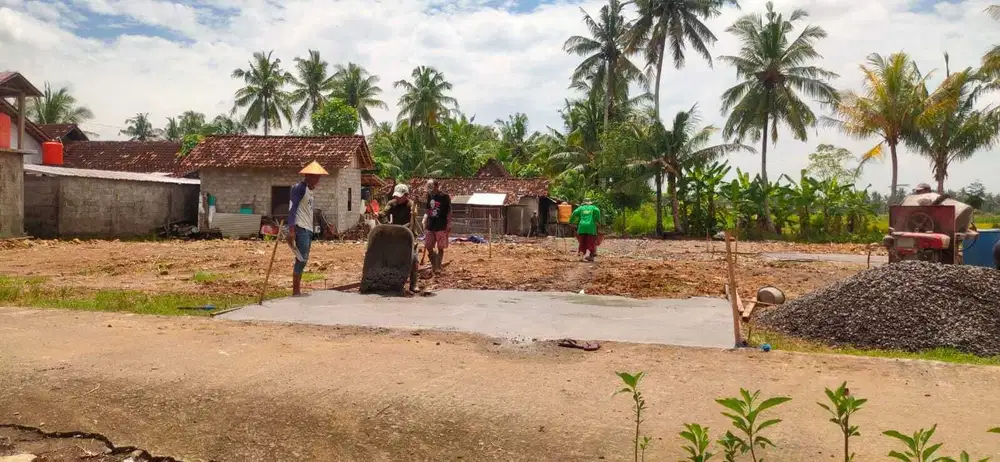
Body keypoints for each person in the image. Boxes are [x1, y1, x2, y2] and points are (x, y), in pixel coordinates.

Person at [287, 161, 329, 296]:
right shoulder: (299, 188)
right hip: (300, 227)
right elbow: (292, 209)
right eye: (315, 176)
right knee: (301, 259)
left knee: (303, 259)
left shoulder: (310, 191)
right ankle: (296, 291)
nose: (318, 180)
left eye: (319, 177)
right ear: (307, 176)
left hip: (308, 228)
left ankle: (297, 290)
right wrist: (291, 230)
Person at [424, 179, 451, 272]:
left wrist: (449, 224)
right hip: (430, 224)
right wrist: (425, 219)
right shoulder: (429, 196)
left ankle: (438, 266)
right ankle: (434, 263)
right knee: (428, 245)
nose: (431, 190)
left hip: (441, 224)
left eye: (432, 188)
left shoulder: (445, 196)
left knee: (440, 246)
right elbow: (428, 209)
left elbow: (449, 211)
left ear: (436, 186)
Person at [570, 197, 601, 262]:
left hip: (582, 227)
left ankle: (581, 256)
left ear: (583, 203)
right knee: (591, 242)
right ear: (590, 202)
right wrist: (597, 220)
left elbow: (574, 212)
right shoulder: (593, 207)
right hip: (591, 227)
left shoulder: (581, 208)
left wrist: (571, 221)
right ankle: (591, 256)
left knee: (582, 242)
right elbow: (598, 211)